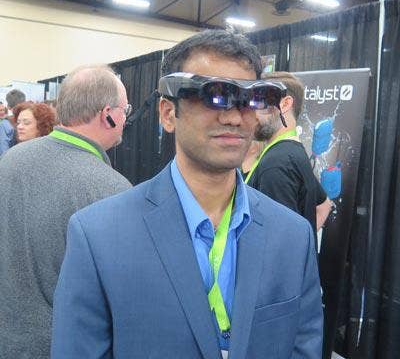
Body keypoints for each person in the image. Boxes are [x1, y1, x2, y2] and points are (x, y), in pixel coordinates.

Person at [51, 31, 323, 359]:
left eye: (248, 99)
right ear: (168, 114)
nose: (234, 117)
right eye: (215, 96)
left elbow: (303, 345)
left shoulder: (292, 237)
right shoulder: (99, 236)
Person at [0, 65, 132, 359]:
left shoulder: (10, 160)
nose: (126, 119)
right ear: (107, 115)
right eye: (125, 110)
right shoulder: (111, 190)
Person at [245, 71, 332, 243]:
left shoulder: (277, 163)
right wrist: (304, 247)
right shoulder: (292, 152)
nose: (251, 112)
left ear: (285, 104)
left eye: (259, 101)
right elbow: (325, 205)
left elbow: (278, 243)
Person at [0, 89, 25, 155]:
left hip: (13, 158)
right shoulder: (32, 120)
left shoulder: (4, 124)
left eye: (2, 110)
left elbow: (3, 152)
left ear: (8, 107)